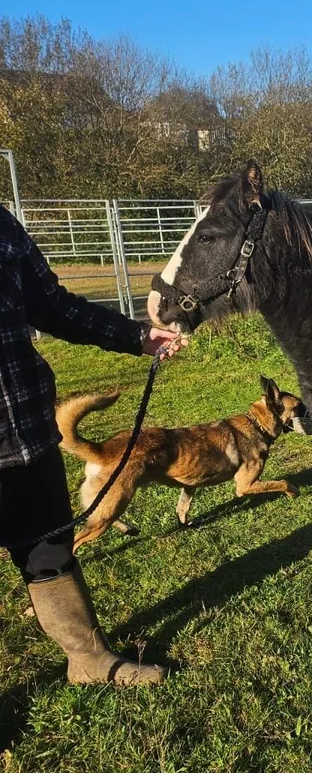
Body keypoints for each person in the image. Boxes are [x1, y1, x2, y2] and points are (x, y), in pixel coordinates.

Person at [1, 204, 185, 685]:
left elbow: (54, 305)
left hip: (25, 432)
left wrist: (136, 335)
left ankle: (88, 660)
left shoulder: (2, 226)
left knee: (49, 551)